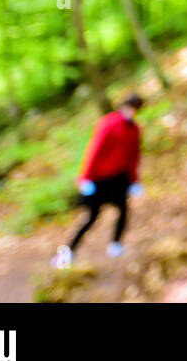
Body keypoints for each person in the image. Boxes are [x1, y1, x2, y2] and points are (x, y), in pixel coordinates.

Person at [51, 95, 144, 270]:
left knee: (123, 211)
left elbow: (134, 156)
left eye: (136, 108)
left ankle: (116, 244)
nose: (132, 111)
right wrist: (85, 177)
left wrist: (134, 180)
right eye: (130, 107)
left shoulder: (134, 129)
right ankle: (67, 254)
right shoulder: (109, 123)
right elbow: (95, 150)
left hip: (119, 179)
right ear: (124, 105)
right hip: (99, 179)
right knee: (91, 218)